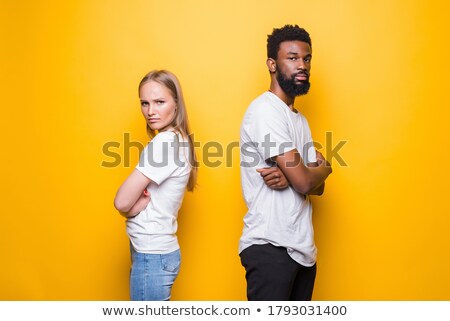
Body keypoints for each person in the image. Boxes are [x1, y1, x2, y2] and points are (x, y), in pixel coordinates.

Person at [239, 25, 332, 301]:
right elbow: (306, 180)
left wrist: (296, 176)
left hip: (302, 250)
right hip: (271, 248)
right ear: (272, 64)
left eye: (306, 58)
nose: (302, 65)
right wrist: (325, 169)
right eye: (292, 58)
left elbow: (317, 189)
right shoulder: (266, 110)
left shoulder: (298, 120)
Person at [114, 70, 197, 301]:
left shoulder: (164, 142)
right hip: (159, 252)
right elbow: (128, 204)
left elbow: (121, 201)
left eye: (160, 102)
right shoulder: (180, 139)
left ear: (177, 104)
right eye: (145, 103)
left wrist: (129, 208)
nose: (150, 111)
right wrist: (131, 207)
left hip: (152, 254)